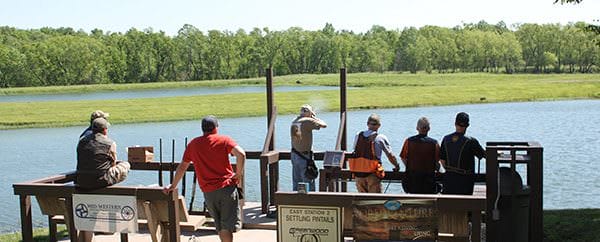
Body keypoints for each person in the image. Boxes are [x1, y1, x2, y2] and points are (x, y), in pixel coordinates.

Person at [164, 116, 245, 242]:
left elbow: (182, 167)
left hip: (208, 192)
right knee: (226, 226)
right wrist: (238, 174)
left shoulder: (193, 144)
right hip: (226, 188)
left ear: (202, 129)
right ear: (216, 127)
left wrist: (173, 185)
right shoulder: (224, 140)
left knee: (220, 227)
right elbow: (241, 154)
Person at [349, 114, 400, 193]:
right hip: (373, 173)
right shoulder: (380, 137)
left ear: (367, 124)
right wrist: (396, 165)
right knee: (375, 202)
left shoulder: (358, 135)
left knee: (362, 202)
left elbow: (355, 151)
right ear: (379, 125)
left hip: (358, 174)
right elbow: (390, 155)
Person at [76, 118, 130, 190]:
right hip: (101, 181)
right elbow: (113, 163)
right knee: (126, 164)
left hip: (82, 181)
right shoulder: (109, 143)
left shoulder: (82, 141)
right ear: (105, 129)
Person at [439, 112, 486, 195]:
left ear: (455, 123)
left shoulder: (445, 139)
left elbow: (442, 161)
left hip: (448, 181)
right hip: (465, 183)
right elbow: (483, 155)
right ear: (468, 125)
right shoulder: (471, 141)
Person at [290, 104, 327, 191]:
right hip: (304, 156)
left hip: (295, 155)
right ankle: (310, 202)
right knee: (308, 181)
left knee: (297, 181)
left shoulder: (295, 121)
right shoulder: (307, 121)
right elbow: (324, 125)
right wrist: (314, 117)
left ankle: (296, 202)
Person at [399, 117, 440, 194]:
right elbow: (437, 161)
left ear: (417, 128)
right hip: (429, 182)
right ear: (429, 128)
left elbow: (403, 157)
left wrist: (409, 167)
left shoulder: (408, 141)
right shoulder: (434, 143)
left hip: (412, 181)